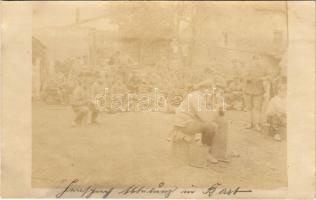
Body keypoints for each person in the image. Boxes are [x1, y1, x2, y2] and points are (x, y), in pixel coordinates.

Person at [171, 80, 227, 164]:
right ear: (203, 89)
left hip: (187, 121)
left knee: (219, 122)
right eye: (210, 89)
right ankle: (205, 153)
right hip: (184, 124)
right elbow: (205, 118)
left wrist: (215, 110)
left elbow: (205, 113)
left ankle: (216, 152)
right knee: (211, 127)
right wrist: (216, 111)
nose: (212, 92)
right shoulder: (196, 97)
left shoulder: (199, 96)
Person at [243, 55, 265, 132]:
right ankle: (248, 123)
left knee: (257, 108)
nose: (257, 61)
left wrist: (264, 78)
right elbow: (244, 76)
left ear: (261, 60)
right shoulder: (248, 67)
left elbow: (271, 75)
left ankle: (257, 124)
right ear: (253, 60)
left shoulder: (263, 68)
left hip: (259, 91)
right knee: (248, 108)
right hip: (248, 90)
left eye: (259, 59)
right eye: (256, 59)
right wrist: (249, 78)